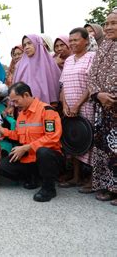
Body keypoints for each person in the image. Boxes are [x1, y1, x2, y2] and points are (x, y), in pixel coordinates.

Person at [0, 82, 64, 202]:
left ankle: (49, 189)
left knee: (43, 152)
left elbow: (53, 138)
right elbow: (18, 135)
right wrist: (2, 130)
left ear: (26, 95)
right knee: (1, 166)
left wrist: (27, 147)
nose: (14, 105)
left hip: (50, 158)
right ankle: (32, 178)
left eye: (16, 101)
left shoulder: (46, 110)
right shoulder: (22, 114)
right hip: (30, 159)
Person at [59, 28, 95, 190]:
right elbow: (64, 85)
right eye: (70, 40)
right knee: (73, 140)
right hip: (69, 107)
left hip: (86, 105)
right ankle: (76, 177)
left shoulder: (92, 57)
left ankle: (93, 179)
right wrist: (66, 104)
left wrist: (77, 104)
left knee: (90, 139)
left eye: (76, 40)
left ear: (86, 41)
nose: (72, 43)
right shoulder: (68, 60)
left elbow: (92, 85)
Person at [88, 10, 116, 205]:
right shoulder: (103, 46)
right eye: (106, 24)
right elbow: (91, 76)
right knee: (105, 148)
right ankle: (108, 186)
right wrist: (99, 94)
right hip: (103, 108)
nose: (109, 27)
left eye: (113, 23)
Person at [13, 34, 61, 105]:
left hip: (46, 108)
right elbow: (15, 87)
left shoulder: (49, 63)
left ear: (37, 43)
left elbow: (55, 86)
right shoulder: (20, 65)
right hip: (24, 108)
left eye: (29, 43)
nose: (27, 47)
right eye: (24, 45)